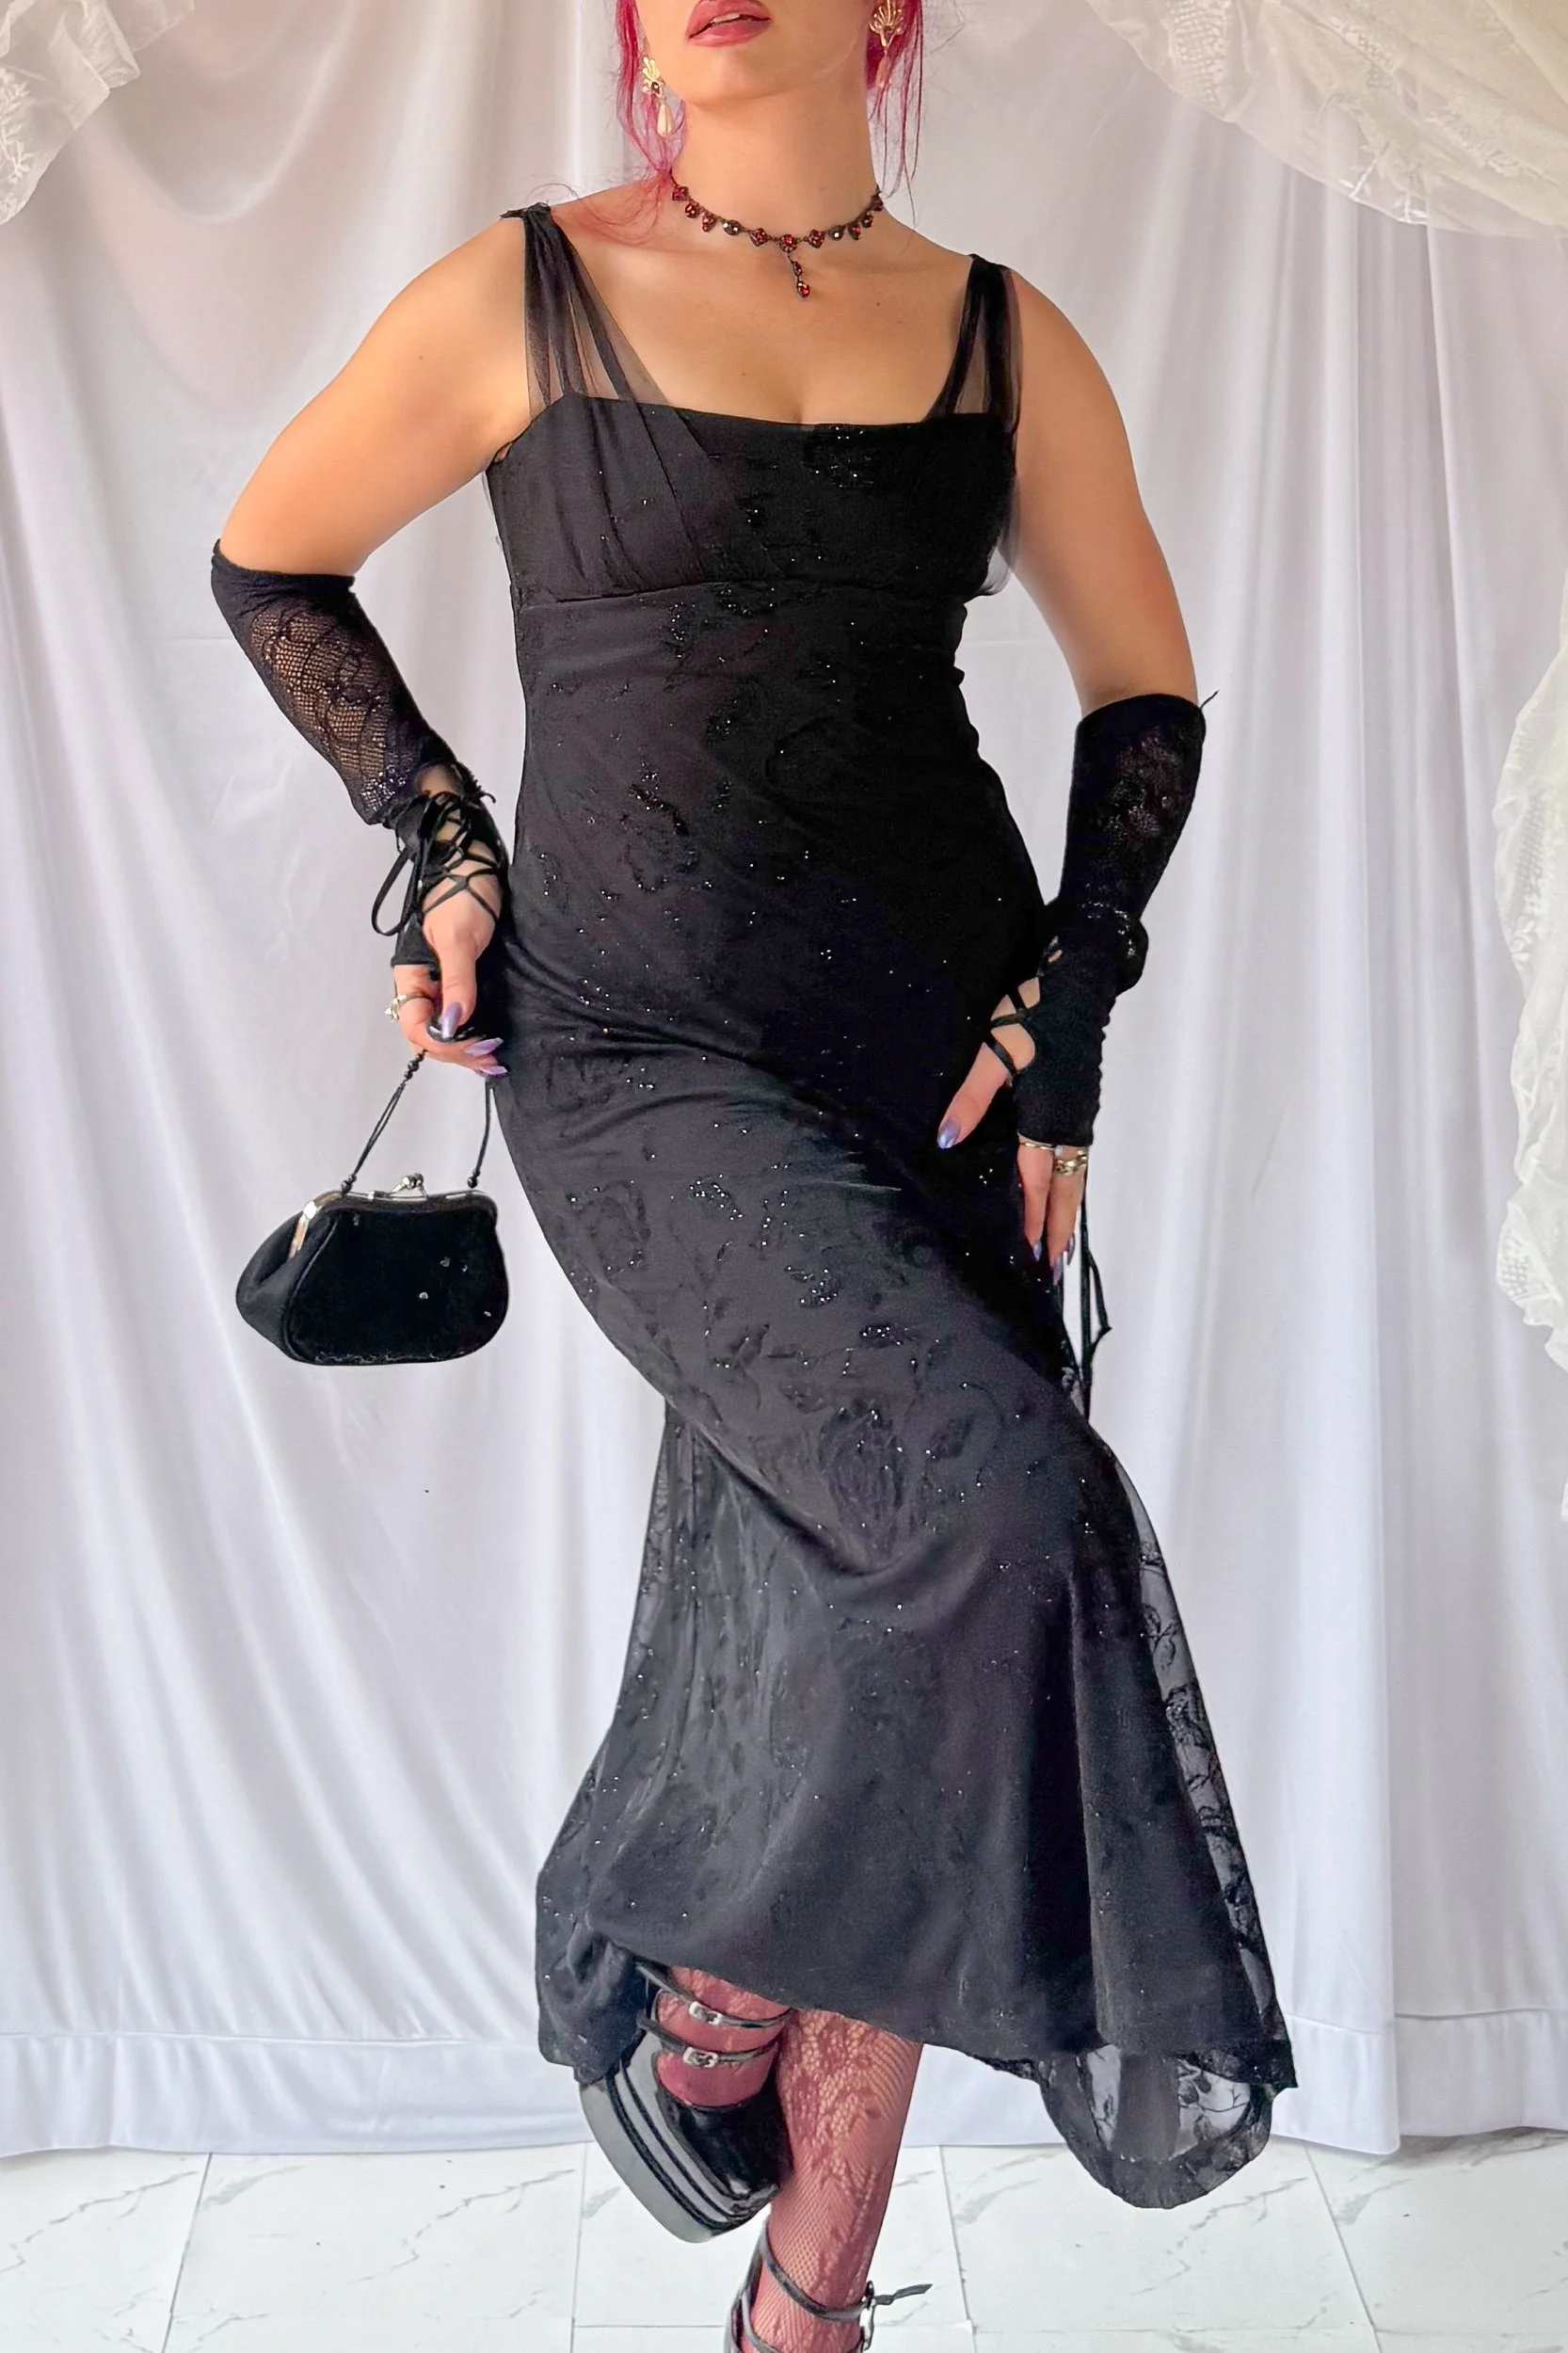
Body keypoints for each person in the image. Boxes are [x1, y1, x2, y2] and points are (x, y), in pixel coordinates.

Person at [210, 3, 1297, 2345]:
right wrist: (439, 835)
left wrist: (1066, 1006)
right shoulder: (525, 290)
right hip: (639, 1053)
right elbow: (273, 557)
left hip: (934, 1070)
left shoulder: (999, 335)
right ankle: (698, 1968)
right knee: (997, 1513)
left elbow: (1144, 690)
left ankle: (806, 2305)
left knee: (894, 1615)